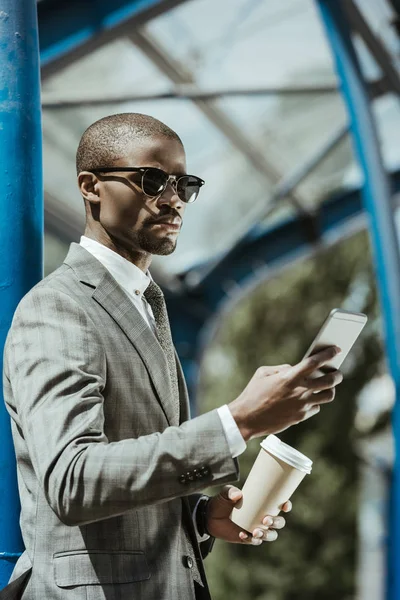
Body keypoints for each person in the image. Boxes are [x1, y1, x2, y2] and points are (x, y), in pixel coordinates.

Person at [1, 113, 342, 600]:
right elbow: (72, 481)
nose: (173, 198)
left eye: (185, 184)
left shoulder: (145, 302)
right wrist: (237, 422)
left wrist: (200, 517)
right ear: (90, 186)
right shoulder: (59, 307)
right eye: (152, 180)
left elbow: (128, 472)